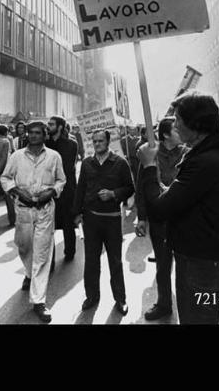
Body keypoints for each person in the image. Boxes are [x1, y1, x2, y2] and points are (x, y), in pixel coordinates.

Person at [136, 91, 219, 325]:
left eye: (179, 119)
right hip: (206, 264)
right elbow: (180, 199)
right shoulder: (208, 157)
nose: (176, 125)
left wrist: (150, 166)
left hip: (201, 270)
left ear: (196, 125)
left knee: (198, 319)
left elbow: (160, 210)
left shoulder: (206, 162)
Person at [0, 121, 66, 323]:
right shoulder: (17, 156)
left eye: (38, 133)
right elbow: (5, 178)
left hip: (45, 210)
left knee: (42, 254)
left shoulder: (54, 156)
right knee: (24, 247)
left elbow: (61, 180)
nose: (34, 136)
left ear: (45, 135)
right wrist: (17, 191)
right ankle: (28, 273)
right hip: (23, 210)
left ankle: (39, 301)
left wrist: (51, 192)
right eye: (31, 133)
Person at [73, 129, 135, 315]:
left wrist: (113, 194)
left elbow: (130, 188)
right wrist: (76, 214)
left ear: (108, 142)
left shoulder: (120, 163)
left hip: (112, 220)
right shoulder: (87, 163)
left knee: (115, 261)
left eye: (101, 141)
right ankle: (91, 297)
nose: (97, 144)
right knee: (91, 261)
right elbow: (80, 189)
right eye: (94, 141)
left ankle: (120, 299)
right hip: (91, 219)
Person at [136, 117, 187, 320]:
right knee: (163, 265)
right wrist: (141, 217)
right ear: (165, 134)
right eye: (176, 129)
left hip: (183, 218)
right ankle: (164, 303)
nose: (181, 131)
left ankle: (188, 305)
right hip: (159, 219)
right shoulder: (150, 154)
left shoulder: (188, 153)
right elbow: (141, 186)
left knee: (185, 266)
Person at [47, 116, 78, 264]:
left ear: (59, 127)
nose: (48, 126)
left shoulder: (71, 144)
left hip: (66, 190)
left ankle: (70, 252)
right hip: (48, 190)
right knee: (48, 225)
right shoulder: (45, 143)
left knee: (67, 223)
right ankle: (49, 259)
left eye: (51, 124)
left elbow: (66, 167)